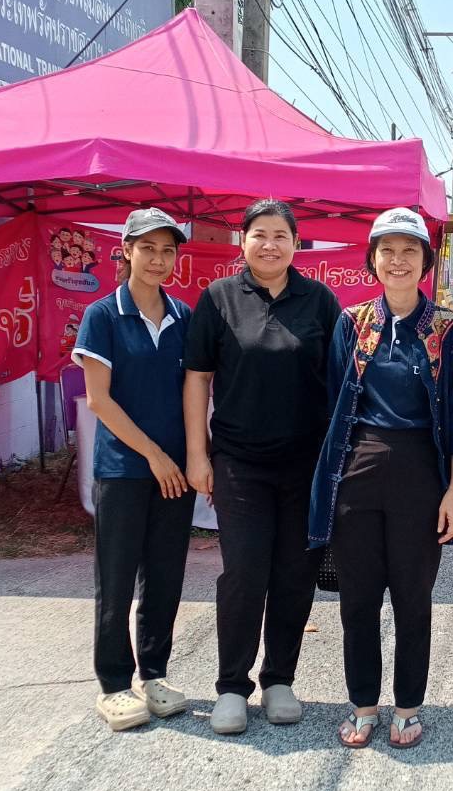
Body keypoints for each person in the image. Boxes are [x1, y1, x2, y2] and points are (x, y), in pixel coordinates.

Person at [309, 208, 453, 749]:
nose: (398, 260)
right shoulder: (351, 323)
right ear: (373, 260)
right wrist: (329, 485)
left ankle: (407, 707)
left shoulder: (450, 330)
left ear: (426, 262)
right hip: (357, 471)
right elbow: (333, 407)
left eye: (410, 251)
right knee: (357, 599)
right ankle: (363, 704)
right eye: (388, 250)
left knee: (412, 598)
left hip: (420, 476)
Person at [184, 199, 342, 735]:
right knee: (245, 572)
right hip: (239, 463)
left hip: (305, 465)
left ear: (296, 244)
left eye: (280, 236)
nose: (270, 245)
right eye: (259, 234)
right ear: (243, 241)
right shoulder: (219, 298)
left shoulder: (320, 301)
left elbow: (340, 380)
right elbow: (197, 378)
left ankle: (279, 679)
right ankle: (232, 685)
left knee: (295, 573)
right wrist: (198, 453)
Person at [73, 207, 195, 732]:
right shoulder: (102, 315)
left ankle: (155, 674)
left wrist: (191, 457)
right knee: (117, 580)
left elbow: (195, 392)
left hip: (175, 474)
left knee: (165, 578)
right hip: (124, 470)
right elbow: (99, 401)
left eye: (168, 251)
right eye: (148, 248)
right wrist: (154, 455)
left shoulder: (184, 317)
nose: (158, 260)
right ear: (127, 250)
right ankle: (114, 685)